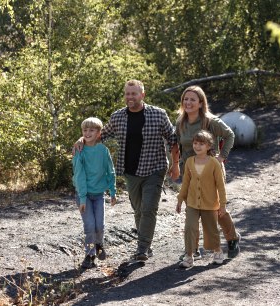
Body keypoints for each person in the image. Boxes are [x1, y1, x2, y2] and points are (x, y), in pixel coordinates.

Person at [75, 80, 179, 261]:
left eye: (134, 93)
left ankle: (142, 249)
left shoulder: (158, 115)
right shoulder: (118, 117)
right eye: (127, 94)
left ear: (142, 95)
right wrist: (81, 140)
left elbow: (172, 139)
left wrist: (175, 163)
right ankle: (145, 242)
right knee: (138, 210)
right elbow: (99, 136)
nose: (130, 97)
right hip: (130, 171)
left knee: (148, 209)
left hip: (154, 168)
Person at [174, 85, 241, 259]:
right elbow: (176, 145)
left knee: (215, 209)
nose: (188, 102)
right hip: (190, 171)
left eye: (192, 99)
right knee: (192, 209)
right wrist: (174, 164)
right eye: (185, 99)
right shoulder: (180, 122)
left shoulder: (210, 121)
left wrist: (221, 157)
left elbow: (230, 135)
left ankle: (232, 238)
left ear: (201, 102)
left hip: (211, 171)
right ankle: (193, 249)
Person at [176, 130, 226, 268]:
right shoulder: (189, 162)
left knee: (211, 229)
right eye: (195, 143)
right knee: (190, 228)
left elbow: (220, 186)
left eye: (201, 144)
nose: (197, 146)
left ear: (209, 146)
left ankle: (217, 251)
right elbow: (185, 183)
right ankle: (189, 256)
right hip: (192, 202)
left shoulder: (214, 163)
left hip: (210, 203)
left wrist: (223, 205)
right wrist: (180, 199)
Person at [72, 117, 117, 269]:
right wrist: (83, 199)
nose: (88, 132)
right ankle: (89, 254)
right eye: (85, 130)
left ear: (99, 133)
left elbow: (110, 171)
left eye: (92, 130)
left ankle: (99, 244)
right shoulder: (79, 150)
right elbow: (79, 176)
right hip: (83, 196)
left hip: (98, 195)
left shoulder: (103, 151)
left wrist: (113, 191)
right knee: (89, 226)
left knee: (100, 225)